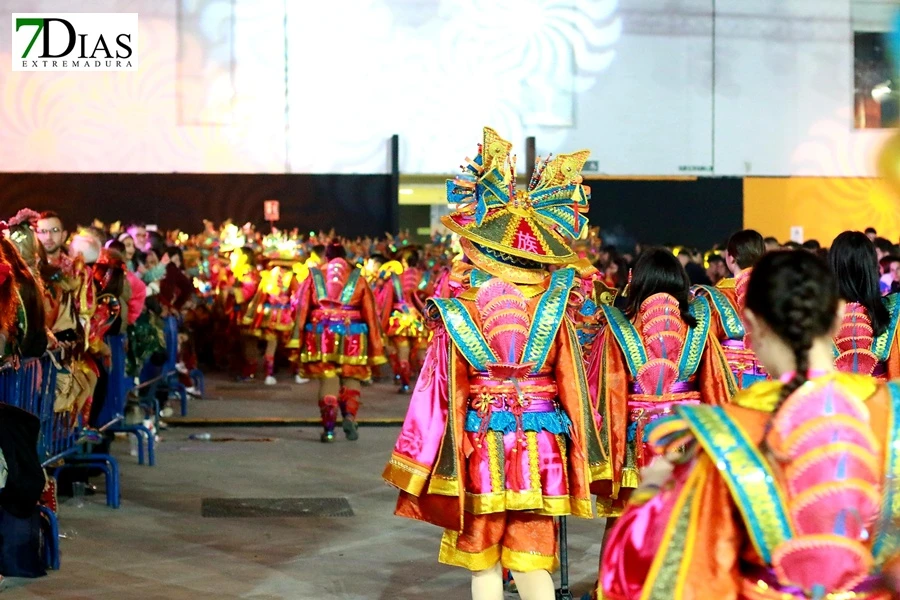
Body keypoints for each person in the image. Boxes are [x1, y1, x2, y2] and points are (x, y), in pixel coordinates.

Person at [599, 249, 900, 600]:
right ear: (837, 317)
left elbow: (683, 578)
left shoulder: (726, 434)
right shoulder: (890, 412)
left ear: (752, 326)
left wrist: (651, 495)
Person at [384, 128, 604, 600]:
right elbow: (574, 382)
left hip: (483, 440)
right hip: (543, 442)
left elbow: (440, 391)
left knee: (482, 560)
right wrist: (587, 448)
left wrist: (425, 460)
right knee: (531, 557)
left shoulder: (460, 310)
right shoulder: (557, 306)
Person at [586, 247, 737, 573]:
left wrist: (604, 454)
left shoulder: (619, 325)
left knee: (624, 519)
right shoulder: (698, 326)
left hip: (634, 439)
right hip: (686, 436)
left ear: (637, 282)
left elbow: (607, 392)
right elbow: (716, 389)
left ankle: (616, 589)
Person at [288, 239, 386, 442]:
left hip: (320, 332)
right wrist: (376, 341)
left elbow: (301, 306)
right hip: (353, 333)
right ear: (346, 257)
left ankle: (330, 429)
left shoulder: (314, 276)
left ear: (327, 257)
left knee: (328, 377)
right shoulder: (358, 277)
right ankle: (350, 416)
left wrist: (297, 336)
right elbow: (370, 311)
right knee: (351, 376)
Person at [694, 229, 767, 388]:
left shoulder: (714, 297)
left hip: (729, 381)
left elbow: (704, 344)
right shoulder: (776, 292)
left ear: (731, 257)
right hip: (770, 377)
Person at [829, 231, 900, 380]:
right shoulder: (894, 310)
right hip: (884, 399)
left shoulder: (817, 317)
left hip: (833, 400)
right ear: (873, 268)